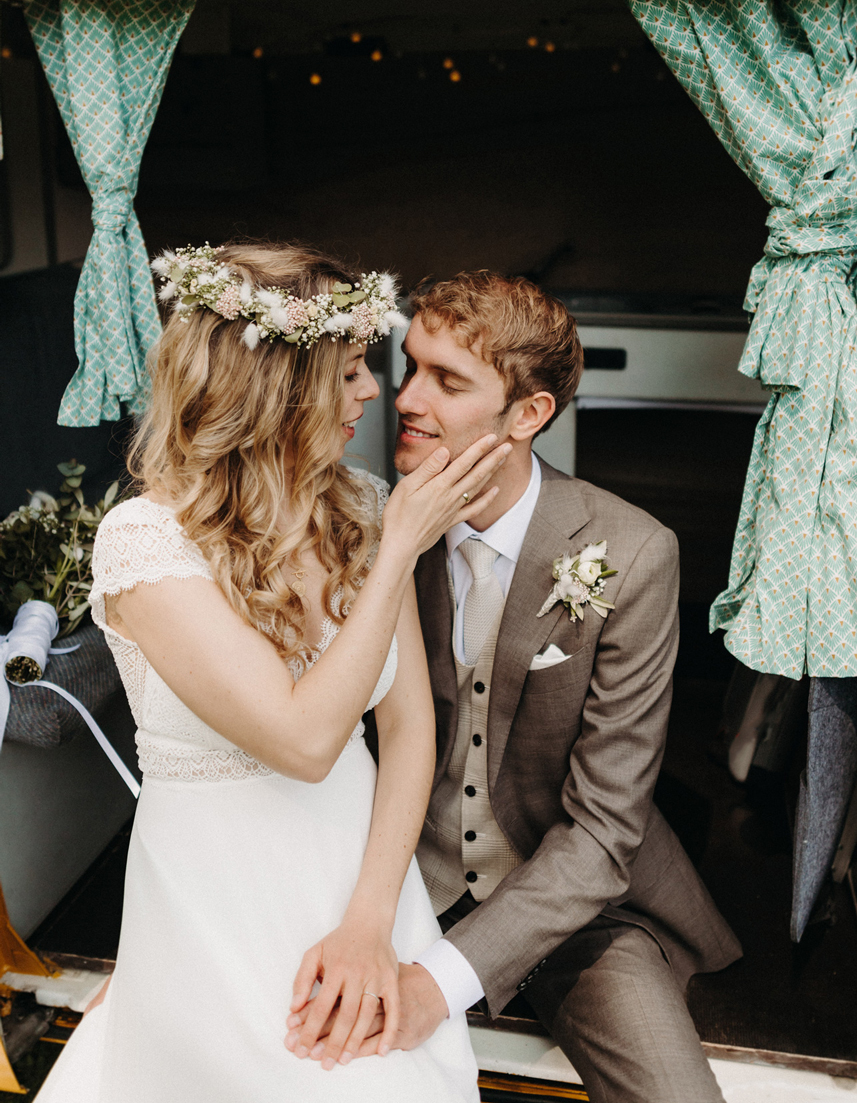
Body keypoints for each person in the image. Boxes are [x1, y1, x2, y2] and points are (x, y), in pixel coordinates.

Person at [35, 243, 508, 1103]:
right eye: (352, 370)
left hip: (362, 875)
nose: (374, 393)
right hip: (218, 896)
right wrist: (403, 544)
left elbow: (405, 728)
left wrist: (370, 922)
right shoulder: (146, 543)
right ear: (276, 389)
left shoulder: (360, 505)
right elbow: (303, 741)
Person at [288, 271, 743, 1103]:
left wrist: (437, 986)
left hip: (577, 905)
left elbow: (605, 831)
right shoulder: (360, 528)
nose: (407, 397)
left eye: (448, 381)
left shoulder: (632, 553)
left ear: (528, 414)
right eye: (408, 365)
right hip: (392, 885)